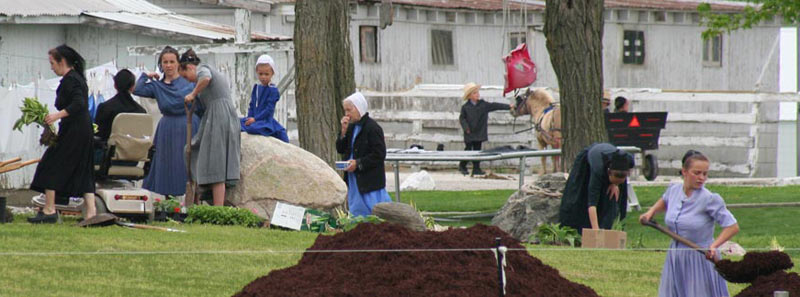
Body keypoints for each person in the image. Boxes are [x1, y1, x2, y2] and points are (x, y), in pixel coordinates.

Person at [639, 150, 739, 297]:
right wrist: (650, 213)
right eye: (697, 173)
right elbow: (665, 201)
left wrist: (713, 246)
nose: (701, 178)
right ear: (684, 172)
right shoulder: (674, 190)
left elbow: (732, 226)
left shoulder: (710, 199)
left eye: (705, 174)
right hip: (676, 256)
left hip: (699, 257)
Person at [28, 45, 97, 223]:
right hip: (82, 129)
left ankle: (50, 209)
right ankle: (91, 213)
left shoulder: (71, 80)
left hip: (75, 129)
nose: (51, 67)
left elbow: (79, 104)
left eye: (52, 63)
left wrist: (56, 116)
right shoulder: (77, 78)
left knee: (51, 163)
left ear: (62, 61)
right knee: (83, 168)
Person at [134, 46, 201, 197]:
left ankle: (190, 199)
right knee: (166, 165)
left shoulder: (188, 83)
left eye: (172, 61)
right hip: (167, 127)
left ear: (178, 63)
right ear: (161, 64)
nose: (169, 65)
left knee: (185, 164)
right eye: (165, 62)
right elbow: (137, 90)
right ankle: (168, 202)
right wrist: (146, 75)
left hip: (188, 125)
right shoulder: (158, 86)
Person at [178, 49, 241, 206]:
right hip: (214, 116)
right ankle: (202, 197)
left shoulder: (203, 69)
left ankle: (218, 208)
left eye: (186, 76)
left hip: (219, 116)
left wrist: (193, 94)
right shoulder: (201, 75)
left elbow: (206, 78)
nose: (188, 81)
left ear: (190, 68)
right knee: (195, 149)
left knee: (217, 161)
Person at [335, 92, 392, 216]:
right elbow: (341, 149)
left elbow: (379, 154)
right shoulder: (351, 128)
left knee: (375, 211)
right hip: (354, 178)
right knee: (357, 209)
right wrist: (343, 132)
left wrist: (359, 163)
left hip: (370, 180)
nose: (347, 114)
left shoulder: (373, 128)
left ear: (358, 108)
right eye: (345, 111)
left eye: (349, 110)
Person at [558, 143, 634, 233]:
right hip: (587, 163)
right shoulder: (598, 169)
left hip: (612, 166)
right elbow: (592, 204)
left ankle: (609, 229)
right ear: (609, 172)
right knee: (577, 199)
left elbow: (624, 173)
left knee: (614, 197)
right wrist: (596, 231)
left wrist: (615, 184)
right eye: (614, 181)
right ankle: (578, 231)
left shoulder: (628, 160)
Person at [458, 82, 511, 176]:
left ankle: (476, 168)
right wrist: (466, 128)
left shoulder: (483, 105)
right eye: (474, 93)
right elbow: (462, 118)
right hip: (469, 132)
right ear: (470, 96)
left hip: (479, 132)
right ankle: (462, 165)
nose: (477, 94)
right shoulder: (465, 107)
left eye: (477, 92)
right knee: (468, 149)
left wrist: (508, 106)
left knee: (478, 150)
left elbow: (494, 105)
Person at [240, 54, 289, 142]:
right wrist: (250, 117)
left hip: (264, 120)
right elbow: (252, 105)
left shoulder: (273, 90)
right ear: (257, 72)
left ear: (272, 73)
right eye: (261, 74)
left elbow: (269, 110)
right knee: (238, 123)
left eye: (266, 74)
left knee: (254, 128)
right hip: (254, 119)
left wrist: (255, 119)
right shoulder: (256, 88)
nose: (263, 77)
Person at [94, 69, 146, 141]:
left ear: (115, 85)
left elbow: (98, 133)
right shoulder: (142, 112)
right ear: (133, 87)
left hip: (112, 150)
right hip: (136, 151)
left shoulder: (104, 108)